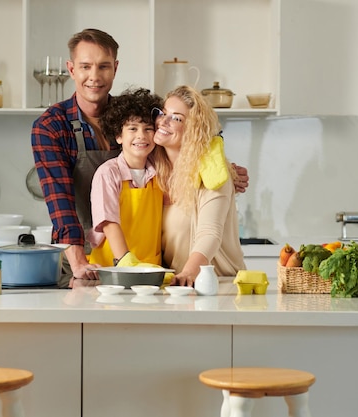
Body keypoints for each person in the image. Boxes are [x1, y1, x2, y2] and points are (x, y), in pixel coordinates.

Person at [31, 28, 249, 288]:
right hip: (88, 259)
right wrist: (79, 263)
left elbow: (189, 130)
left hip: (151, 265)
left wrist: (222, 170)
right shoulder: (51, 126)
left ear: (115, 68)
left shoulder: (133, 115)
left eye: (103, 66)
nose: (94, 76)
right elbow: (60, 202)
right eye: (85, 66)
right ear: (71, 68)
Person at [152, 85, 247, 287]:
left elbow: (210, 233)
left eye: (177, 118)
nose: (164, 121)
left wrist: (188, 272)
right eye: (163, 113)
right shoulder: (152, 172)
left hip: (220, 285)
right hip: (177, 286)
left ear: (193, 129)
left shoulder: (212, 173)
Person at [87, 87, 164, 267]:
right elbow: (109, 223)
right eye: (132, 128)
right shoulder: (108, 173)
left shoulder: (160, 172)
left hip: (151, 267)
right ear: (118, 135)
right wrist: (127, 263)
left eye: (148, 129)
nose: (141, 135)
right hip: (113, 268)